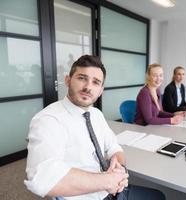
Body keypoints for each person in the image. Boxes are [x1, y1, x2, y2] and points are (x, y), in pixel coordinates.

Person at [25, 55, 165, 200]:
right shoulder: (49, 120)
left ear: (101, 90)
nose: (88, 87)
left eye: (96, 82)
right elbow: (42, 178)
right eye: (82, 78)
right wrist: (108, 181)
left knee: (158, 196)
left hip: (113, 190)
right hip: (88, 196)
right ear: (68, 80)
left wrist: (119, 168)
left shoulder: (96, 114)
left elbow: (114, 147)